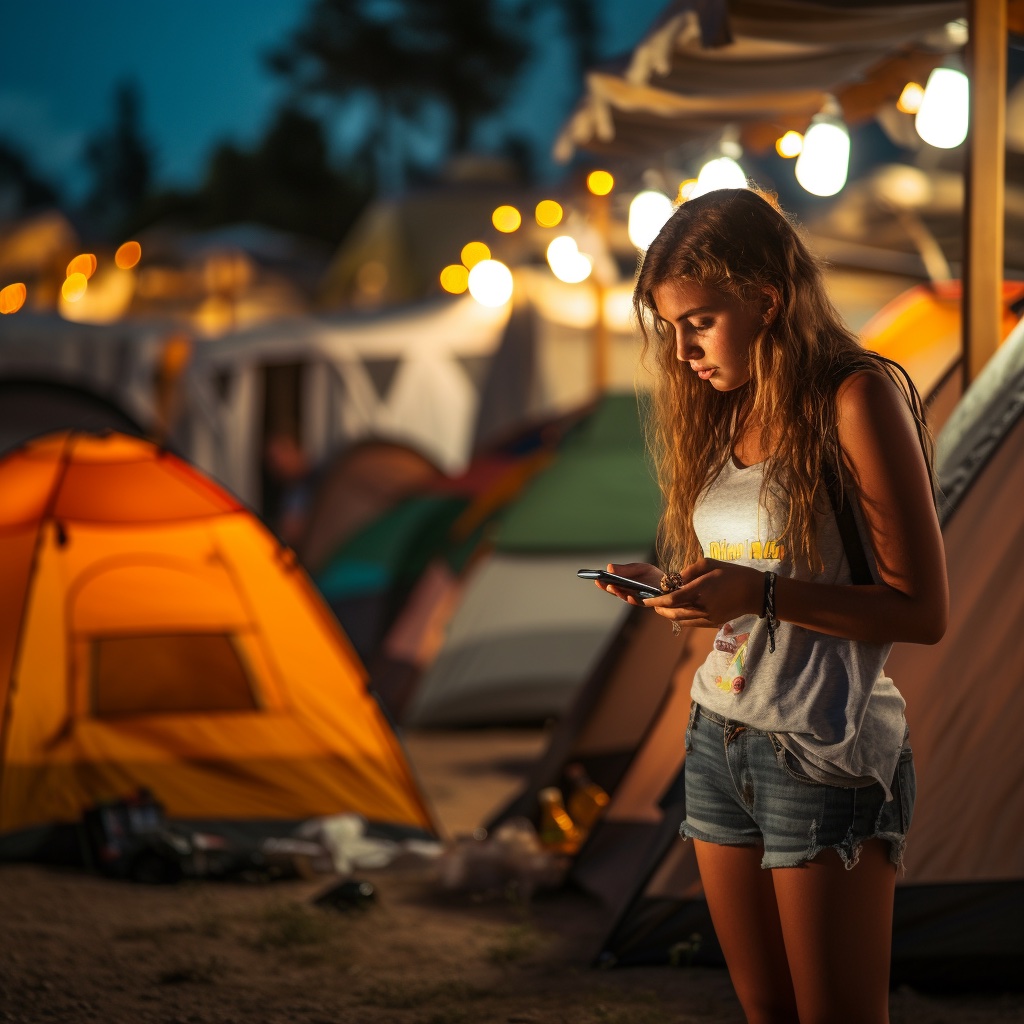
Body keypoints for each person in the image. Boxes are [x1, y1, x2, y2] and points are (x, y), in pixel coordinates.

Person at [593, 187, 948, 1024]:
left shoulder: (855, 397)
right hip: (719, 732)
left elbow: (922, 611)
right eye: (670, 326)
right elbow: (757, 570)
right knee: (765, 1011)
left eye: (699, 322)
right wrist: (679, 585)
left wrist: (759, 593)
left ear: (766, 300)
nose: (681, 351)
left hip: (823, 747)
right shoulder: (732, 406)